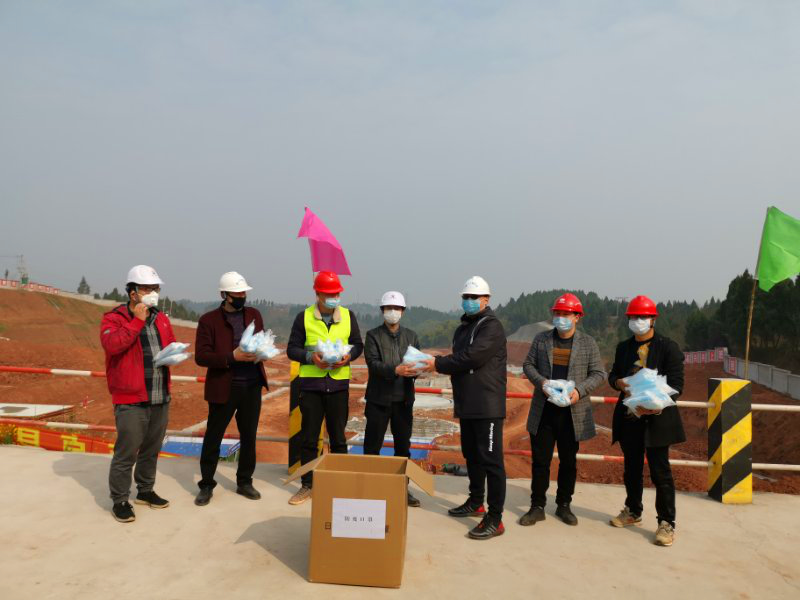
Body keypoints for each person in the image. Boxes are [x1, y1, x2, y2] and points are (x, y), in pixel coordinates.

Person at [419, 276, 507, 540]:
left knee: (491, 461)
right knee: (472, 455)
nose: (468, 301)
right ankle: (476, 501)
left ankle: (495, 518)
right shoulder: (463, 329)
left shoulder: (491, 327)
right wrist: (438, 361)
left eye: (473, 297)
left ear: (486, 299)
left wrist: (437, 364)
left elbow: (472, 357)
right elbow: (459, 358)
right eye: (465, 297)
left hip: (487, 404)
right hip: (467, 402)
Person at [521, 293, 605, 527]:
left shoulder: (587, 343)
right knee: (540, 462)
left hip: (572, 413)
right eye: (557, 313)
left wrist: (579, 390)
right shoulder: (542, 340)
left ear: (577, 317)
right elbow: (528, 365)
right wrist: (542, 383)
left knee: (569, 462)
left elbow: (599, 373)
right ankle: (537, 506)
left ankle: (564, 505)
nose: (560, 318)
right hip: (544, 411)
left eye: (566, 314)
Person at [608, 295, 686, 547]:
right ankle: (633, 510)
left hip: (656, 420)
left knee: (660, 472)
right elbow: (613, 375)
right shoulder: (623, 348)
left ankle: (666, 523)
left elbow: (677, 385)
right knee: (631, 468)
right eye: (633, 317)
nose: (637, 321)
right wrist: (618, 383)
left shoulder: (668, 348)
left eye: (642, 317)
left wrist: (655, 406)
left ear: (653, 319)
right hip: (630, 418)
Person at [100, 265, 175, 523]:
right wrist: (137, 321)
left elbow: (170, 344)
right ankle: (120, 499)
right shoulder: (114, 318)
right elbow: (112, 345)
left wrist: (175, 354)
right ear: (133, 293)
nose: (154, 293)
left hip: (159, 395)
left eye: (156, 288)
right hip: (131, 398)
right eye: (148, 288)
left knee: (151, 449)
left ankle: (145, 490)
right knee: (126, 452)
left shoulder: (161, 318)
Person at [285, 271, 364, 505]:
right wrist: (310, 358)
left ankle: (339, 485)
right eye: (329, 294)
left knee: (338, 439)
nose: (334, 298)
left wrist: (348, 357)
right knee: (309, 439)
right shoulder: (304, 317)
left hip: (338, 387)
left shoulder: (348, 316)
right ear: (318, 294)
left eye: (336, 294)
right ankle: (308, 485)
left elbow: (358, 345)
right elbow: (292, 349)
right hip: (311, 387)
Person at [194, 272, 271, 506]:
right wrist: (231, 357)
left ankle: (244, 481)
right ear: (224, 295)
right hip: (224, 387)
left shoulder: (254, 315)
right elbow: (201, 356)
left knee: (249, 436)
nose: (242, 296)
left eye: (243, 292)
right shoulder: (209, 321)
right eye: (237, 293)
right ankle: (206, 484)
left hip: (251, 386)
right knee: (213, 437)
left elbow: (262, 340)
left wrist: (263, 352)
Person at [363, 291, 421, 507]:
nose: (393, 312)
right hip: (378, 399)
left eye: (396, 308)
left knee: (403, 448)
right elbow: (373, 364)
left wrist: (418, 369)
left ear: (403, 311)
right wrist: (396, 370)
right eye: (389, 308)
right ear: (382, 311)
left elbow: (417, 362)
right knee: (372, 447)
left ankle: (401, 489)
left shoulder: (411, 336)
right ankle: (369, 488)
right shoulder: (373, 336)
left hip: (403, 400)